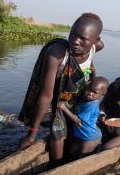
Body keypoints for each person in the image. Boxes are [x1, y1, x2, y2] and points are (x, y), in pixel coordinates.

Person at [18, 13, 104, 166]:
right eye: (72, 34)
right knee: (58, 133)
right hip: (57, 101)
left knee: (84, 125)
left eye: (83, 39)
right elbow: (46, 95)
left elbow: (98, 46)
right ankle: (57, 165)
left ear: (95, 40)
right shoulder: (57, 54)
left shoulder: (95, 47)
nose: (75, 42)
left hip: (78, 98)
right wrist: (32, 134)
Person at [58, 76, 109, 158]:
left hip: (89, 137)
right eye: (89, 89)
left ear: (102, 94)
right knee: (72, 151)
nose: (90, 93)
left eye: (95, 92)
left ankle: (97, 148)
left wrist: (64, 108)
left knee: (82, 156)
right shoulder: (86, 100)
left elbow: (78, 120)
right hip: (82, 134)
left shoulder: (91, 106)